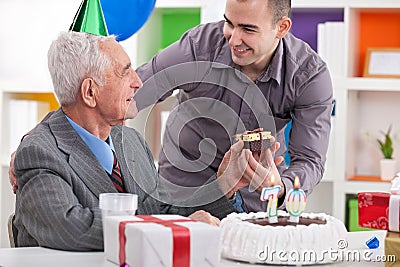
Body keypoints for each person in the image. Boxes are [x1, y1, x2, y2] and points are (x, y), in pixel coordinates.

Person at [13, 31, 274, 251]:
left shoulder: (129, 140)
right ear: (90, 92)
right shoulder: (40, 152)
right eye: (125, 73)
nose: (138, 82)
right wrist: (170, 229)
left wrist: (224, 183)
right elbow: (69, 227)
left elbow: (161, 208)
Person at [133, 0, 334, 211]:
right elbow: (132, 92)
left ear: (281, 28)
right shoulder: (199, 46)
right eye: (229, 23)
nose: (234, 39)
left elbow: (310, 160)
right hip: (187, 182)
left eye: (248, 29)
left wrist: (280, 187)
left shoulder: (308, 74)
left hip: (257, 191)